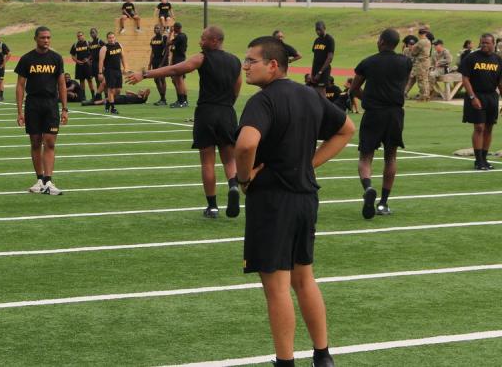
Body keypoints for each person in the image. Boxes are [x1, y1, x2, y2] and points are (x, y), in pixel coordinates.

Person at [235, 36, 354, 367]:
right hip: (305, 198)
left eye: (251, 60)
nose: (245, 66)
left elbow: (245, 145)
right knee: (305, 278)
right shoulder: (309, 95)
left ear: (273, 65)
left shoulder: (263, 101)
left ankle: (285, 362)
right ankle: (323, 355)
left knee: (277, 286)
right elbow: (346, 129)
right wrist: (309, 164)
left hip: (273, 201)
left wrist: (244, 179)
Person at [129, 26, 243, 218]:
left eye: (203, 38)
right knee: (229, 158)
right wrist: (228, 104)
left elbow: (175, 69)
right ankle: (233, 186)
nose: (200, 41)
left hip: (206, 111)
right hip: (226, 112)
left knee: (207, 161)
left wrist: (145, 74)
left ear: (214, 40)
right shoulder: (235, 61)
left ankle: (212, 207)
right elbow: (237, 86)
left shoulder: (202, 57)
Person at [349, 28, 413, 219]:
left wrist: (368, 98)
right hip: (395, 113)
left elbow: (353, 89)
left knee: (365, 156)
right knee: (391, 156)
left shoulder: (368, 62)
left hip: (373, 113)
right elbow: (402, 86)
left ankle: (368, 187)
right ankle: (383, 203)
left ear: (382, 42)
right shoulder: (405, 62)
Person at [14, 26, 68, 195]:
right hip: (33, 104)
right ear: (36, 38)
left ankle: (49, 181)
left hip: (51, 104)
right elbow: (20, 85)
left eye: (48, 37)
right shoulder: (26, 59)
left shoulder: (56, 58)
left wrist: (65, 109)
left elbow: (61, 84)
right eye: (43, 37)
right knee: (36, 142)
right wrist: (19, 111)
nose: (46, 40)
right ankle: (39, 179)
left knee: (50, 142)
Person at [459, 33, 502, 170]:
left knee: (489, 127)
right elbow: (465, 79)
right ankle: (478, 161)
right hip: (476, 95)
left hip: (491, 97)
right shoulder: (471, 58)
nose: (484, 45)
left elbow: (500, 82)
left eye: (487, 43)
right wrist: (472, 97)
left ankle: (484, 158)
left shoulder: (497, 59)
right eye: (482, 42)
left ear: (493, 44)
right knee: (479, 127)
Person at [99, 31, 128, 115]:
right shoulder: (104, 48)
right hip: (109, 71)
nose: (111, 39)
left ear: (115, 38)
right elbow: (101, 61)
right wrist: (100, 72)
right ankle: (113, 108)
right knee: (111, 89)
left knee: (118, 90)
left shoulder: (119, 45)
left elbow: (122, 57)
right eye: (109, 38)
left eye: (112, 37)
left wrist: (125, 67)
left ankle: (108, 102)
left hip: (118, 70)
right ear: (107, 39)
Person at [308, 21, 334, 97]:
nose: (318, 31)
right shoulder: (317, 40)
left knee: (321, 91)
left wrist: (320, 72)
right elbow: (315, 57)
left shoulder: (329, 40)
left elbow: (330, 58)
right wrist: (312, 72)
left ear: (324, 28)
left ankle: (324, 108)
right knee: (315, 91)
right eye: (316, 30)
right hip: (315, 70)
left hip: (323, 70)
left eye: (320, 29)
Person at [408, 27, 433, 101]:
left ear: (419, 34)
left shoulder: (420, 42)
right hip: (427, 62)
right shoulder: (428, 41)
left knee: (421, 79)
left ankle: (423, 96)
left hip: (421, 63)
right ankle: (427, 95)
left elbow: (413, 52)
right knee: (425, 79)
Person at [168, 22, 189, 107]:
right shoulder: (182, 36)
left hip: (179, 60)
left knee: (179, 80)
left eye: (173, 28)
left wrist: (170, 33)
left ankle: (181, 101)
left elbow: (168, 43)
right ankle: (184, 101)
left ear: (176, 28)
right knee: (179, 80)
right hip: (180, 60)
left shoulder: (180, 36)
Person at [148, 24, 170, 105]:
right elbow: (152, 52)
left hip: (162, 61)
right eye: (155, 28)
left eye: (157, 28)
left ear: (161, 29)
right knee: (156, 79)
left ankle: (163, 99)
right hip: (155, 61)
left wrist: (162, 63)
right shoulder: (153, 39)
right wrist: (149, 63)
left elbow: (167, 51)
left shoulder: (164, 38)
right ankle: (162, 98)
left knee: (162, 78)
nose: (156, 29)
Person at [70, 31, 96, 98]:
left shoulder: (88, 43)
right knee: (81, 81)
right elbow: (72, 55)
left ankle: (93, 95)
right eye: (78, 36)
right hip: (79, 65)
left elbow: (92, 52)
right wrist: (77, 61)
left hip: (87, 65)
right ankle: (83, 96)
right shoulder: (75, 45)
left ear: (83, 35)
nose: (80, 37)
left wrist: (88, 59)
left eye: (81, 35)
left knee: (89, 80)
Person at [81, 88, 150, 106]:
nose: (140, 91)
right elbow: (127, 91)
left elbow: (148, 90)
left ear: (144, 94)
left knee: (106, 100)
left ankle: (91, 103)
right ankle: (92, 103)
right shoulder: (136, 96)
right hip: (122, 98)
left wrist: (142, 94)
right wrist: (135, 94)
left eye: (142, 91)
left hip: (123, 100)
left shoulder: (142, 99)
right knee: (106, 100)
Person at [87, 28, 104, 98]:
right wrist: (89, 60)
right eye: (91, 33)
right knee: (97, 80)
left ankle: (106, 96)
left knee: (102, 80)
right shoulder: (91, 43)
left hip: (99, 63)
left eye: (93, 32)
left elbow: (106, 50)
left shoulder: (100, 41)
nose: (92, 34)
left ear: (97, 33)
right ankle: (98, 96)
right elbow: (91, 53)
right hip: (93, 64)